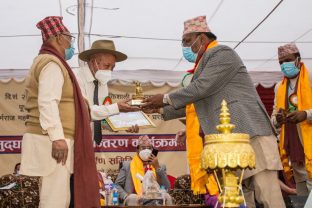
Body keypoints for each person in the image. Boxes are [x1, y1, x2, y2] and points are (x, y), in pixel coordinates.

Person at [142, 15, 285, 208]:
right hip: (230, 144)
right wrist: (158, 108)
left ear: (201, 38)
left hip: (252, 135)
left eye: (187, 41)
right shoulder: (203, 64)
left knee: (268, 196)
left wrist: (165, 98)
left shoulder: (221, 53)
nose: (185, 47)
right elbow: (196, 102)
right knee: (243, 201)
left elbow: (201, 88)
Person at [19, 16, 100, 208]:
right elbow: (47, 101)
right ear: (57, 37)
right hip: (53, 139)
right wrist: (57, 137)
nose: (71, 42)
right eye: (69, 37)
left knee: (59, 196)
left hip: (56, 137)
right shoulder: (52, 63)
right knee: (55, 198)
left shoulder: (49, 61)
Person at [76, 39, 139, 145]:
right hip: (75, 142)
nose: (110, 70)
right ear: (92, 62)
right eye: (106, 66)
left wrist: (123, 124)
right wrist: (116, 108)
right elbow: (84, 112)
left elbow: (101, 117)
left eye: (113, 67)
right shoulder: (76, 79)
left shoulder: (102, 83)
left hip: (90, 144)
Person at [271, 43, 312, 196]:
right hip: (293, 146)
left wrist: (306, 114)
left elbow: (306, 113)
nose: (284, 65)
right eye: (280, 62)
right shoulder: (279, 87)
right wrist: (277, 120)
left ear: (298, 59)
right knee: (302, 191)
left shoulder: (310, 77)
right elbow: (273, 117)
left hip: (309, 143)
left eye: (287, 60)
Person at [114, 135, 173, 205]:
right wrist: (126, 196)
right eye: (143, 148)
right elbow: (117, 185)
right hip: (135, 199)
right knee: (132, 197)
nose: (146, 150)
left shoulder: (160, 166)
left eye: (149, 148)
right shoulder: (127, 165)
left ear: (153, 150)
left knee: (167, 196)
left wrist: (157, 167)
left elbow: (167, 188)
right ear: (137, 150)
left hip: (155, 197)